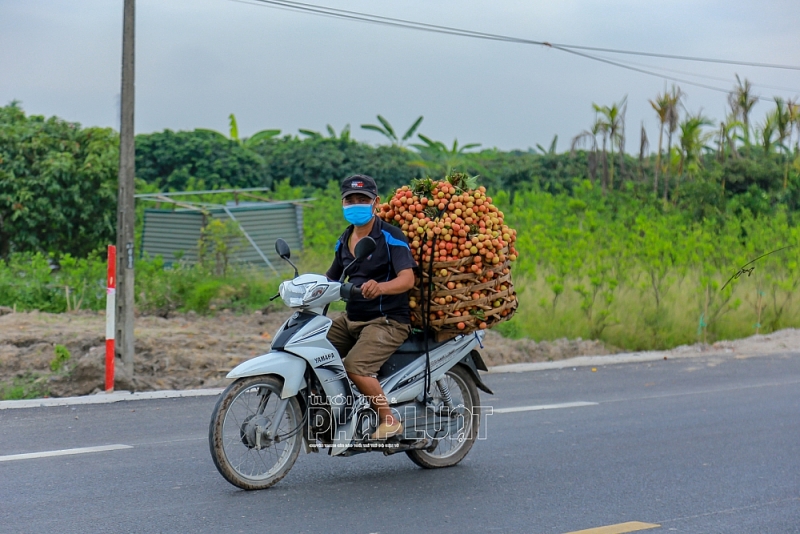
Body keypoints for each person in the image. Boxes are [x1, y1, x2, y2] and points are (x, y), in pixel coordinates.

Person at [326, 174, 417, 440]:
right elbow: (332, 278)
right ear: (342, 203)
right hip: (351, 318)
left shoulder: (391, 236)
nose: (356, 204)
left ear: (375, 202)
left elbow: (407, 278)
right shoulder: (344, 239)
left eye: (362, 199)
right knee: (311, 349)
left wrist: (381, 287)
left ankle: (389, 420)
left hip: (387, 320)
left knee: (355, 366)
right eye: (350, 199)